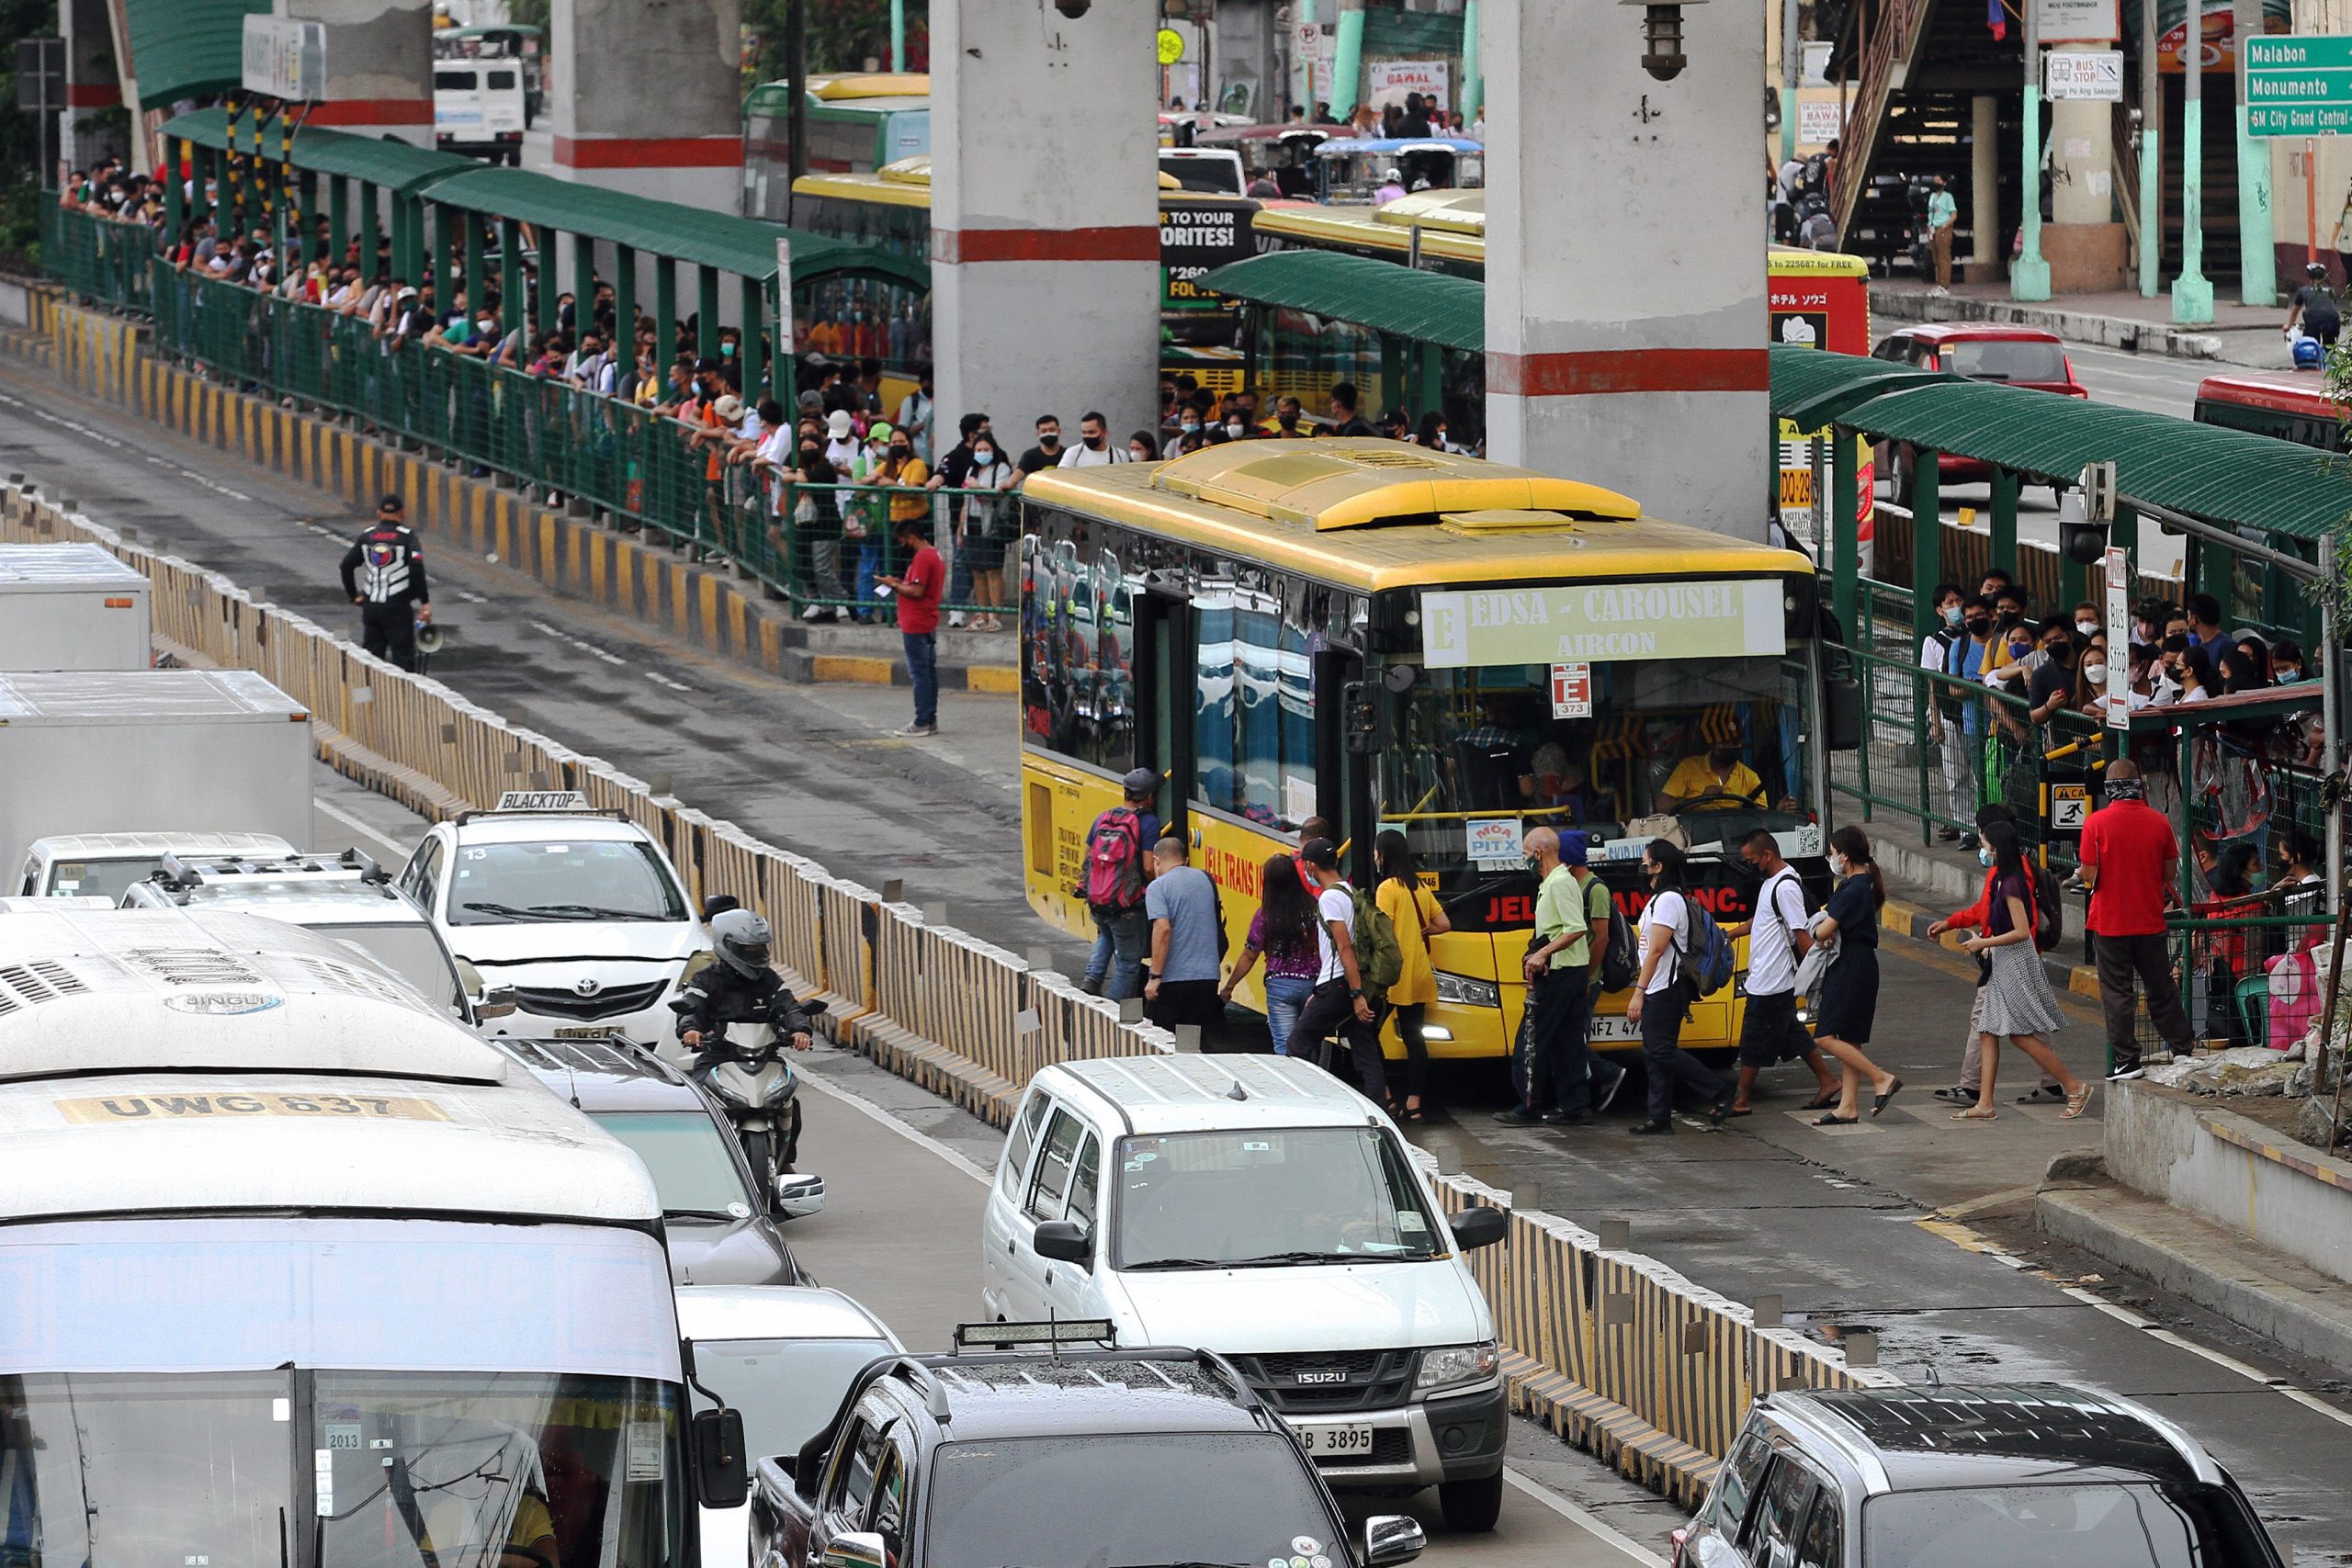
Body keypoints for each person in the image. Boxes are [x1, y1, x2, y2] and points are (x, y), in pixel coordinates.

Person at [1954, 823, 2091, 1122]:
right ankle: (1985, 1104)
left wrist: (1984, 942)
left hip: (2015, 961)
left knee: (2019, 1035)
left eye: (1985, 843)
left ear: (1996, 847)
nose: (1983, 849)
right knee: (1988, 1031)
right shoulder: (2003, 879)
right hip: (2003, 959)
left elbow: (2020, 932)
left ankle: (2074, 1086)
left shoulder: (2013, 883)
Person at [673, 908, 815, 1169]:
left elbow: (789, 1007)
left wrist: (800, 1030)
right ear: (727, 947)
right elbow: (691, 1007)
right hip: (719, 1056)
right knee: (693, 1102)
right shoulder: (706, 980)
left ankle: (785, 1162)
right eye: (748, 950)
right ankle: (697, 1162)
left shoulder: (769, 980)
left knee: (790, 1105)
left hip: (766, 1057)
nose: (756, 956)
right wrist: (690, 1029)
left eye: (760, 949)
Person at [2076, 760, 2190, 1080]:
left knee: (2117, 993)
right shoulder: (2159, 823)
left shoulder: (2095, 824)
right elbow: (2168, 873)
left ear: (2110, 789)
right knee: (2162, 988)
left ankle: (2127, 1059)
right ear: (2140, 785)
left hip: (2110, 922)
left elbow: (2089, 874)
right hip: (2150, 920)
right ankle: (2182, 1048)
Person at [1722, 829, 1842, 1116]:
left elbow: (1801, 934)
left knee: (1752, 1039)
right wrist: (1733, 933)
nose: (1750, 866)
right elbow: (1762, 917)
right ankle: (1828, 1081)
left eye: (1752, 860)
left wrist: (1814, 975)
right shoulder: (1773, 882)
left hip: (1771, 981)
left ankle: (1740, 1099)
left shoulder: (1786, 888)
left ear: (1767, 855)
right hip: (1767, 976)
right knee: (1792, 1033)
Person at [1623, 840, 1735, 1134]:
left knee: (1660, 1050)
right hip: (1658, 986)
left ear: (1658, 867)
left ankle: (1719, 1091)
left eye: (1645, 861)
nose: (1641, 866)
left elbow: (1657, 949)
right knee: (1655, 1051)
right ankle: (1659, 1117)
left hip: (1666, 987)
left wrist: (1639, 992)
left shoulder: (1669, 900)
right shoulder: (1658, 900)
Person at [1495, 826, 1598, 1127]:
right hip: (1569, 973)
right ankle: (1574, 1106)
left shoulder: (1558, 884)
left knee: (1530, 1041)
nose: (1524, 860)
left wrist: (1542, 953)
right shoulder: (1554, 883)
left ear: (1538, 854)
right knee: (1567, 1043)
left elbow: (1575, 928)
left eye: (1526, 854)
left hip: (1560, 975)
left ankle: (1529, 1106)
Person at [1807, 827, 1904, 1122]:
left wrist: (1819, 931)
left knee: (1824, 1035)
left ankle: (1880, 1078)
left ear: (1845, 856)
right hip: (1857, 962)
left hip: (1851, 964)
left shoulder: (1853, 888)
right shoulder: (1860, 884)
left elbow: (1823, 929)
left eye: (1833, 853)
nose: (1831, 858)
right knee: (1849, 1038)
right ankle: (1848, 1107)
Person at [1285, 839, 1386, 1105]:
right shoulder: (1349, 891)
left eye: (1305, 864)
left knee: (1298, 1043)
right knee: (1364, 1049)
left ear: (1310, 864)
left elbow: (1344, 947)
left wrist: (1356, 995)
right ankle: (1378, 1106)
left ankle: (1308, 1102)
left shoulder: (1329, 897)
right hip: (1350, 983)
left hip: (1341, 985)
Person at [1374, 829, 1450, 1122]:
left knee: (1368, 1035)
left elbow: (1384, 933)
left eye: (1376, 851)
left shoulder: (1387, 889)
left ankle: (1387, 1097)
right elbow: (1444, 923)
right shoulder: (1418, 886)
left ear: (1384, 855)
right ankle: (1415, 1102)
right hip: (1419, 971)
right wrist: (1424, 930)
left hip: (1393, 975)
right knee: (1415, 1037)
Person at [1221, 851, 1322, 1051]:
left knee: (1285, 1048)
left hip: (1280, 986)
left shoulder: (1266, 914)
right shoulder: (1314, 907)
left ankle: (1290, 1081)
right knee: (1307, 1047)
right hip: (1313, 984)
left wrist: (1230, 985)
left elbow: (1250, 954)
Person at [1079, 770, 1164, 999]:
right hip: (1127, 906)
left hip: (1098, 899)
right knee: (1128, 964)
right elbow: (1148, 866)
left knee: (1106, 935)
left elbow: (1088, 856)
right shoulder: (1147, 822)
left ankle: (1092, 979)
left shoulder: (1104, 817)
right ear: (1148, 798)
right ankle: (1114, 1011)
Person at [338, 495, 432, 672]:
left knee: (371, 659)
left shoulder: (367, 536)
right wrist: (424, 602)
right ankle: (404, 698)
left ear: (379, 513)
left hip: (371, 606)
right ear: (402, 513)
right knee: (403, 658)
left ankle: (370, 697)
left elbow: (346, 565)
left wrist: (354, 595)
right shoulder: (407, 537)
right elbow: (417, 569)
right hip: (397, 606)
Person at [1143, 837, 1225, 1033]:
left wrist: (1155, 976)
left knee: (1169, 1042)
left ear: (1156, 861)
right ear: (1185, 860)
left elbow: (1163, 929)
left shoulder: (1158, 886)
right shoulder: (1206, 879)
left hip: (1174, 980)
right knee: (1196, 1040)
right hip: (1208, 977)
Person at [1920, 583, 1979, 844]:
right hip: (1947, 711)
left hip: (1972, 713)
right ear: (1939, 609)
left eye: (1959, 601)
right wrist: (1934, 719)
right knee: (1956, 774)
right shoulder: (1933, 642)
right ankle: (1965, 826)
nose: (1955, 607)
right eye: (1949, 603)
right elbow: (1932, 682)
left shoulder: (1973, 636)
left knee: (1979, 773)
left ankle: (1983, 824)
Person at [875, 514, 943, 738]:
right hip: (925, 620)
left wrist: (893, 586)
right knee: (927, 672)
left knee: (920, 673)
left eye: (904, 541)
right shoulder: (933, 555)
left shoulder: (923, 558)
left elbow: (917, 591)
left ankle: (922, 720)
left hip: (916, 622)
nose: (903, 545)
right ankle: (929, 718)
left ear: (911, 537)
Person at [1659, 742, 1764, 812]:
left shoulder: (1749, 777)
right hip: (1693, 837)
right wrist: (1699, 800)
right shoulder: (1688, 767)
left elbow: (1761, 815)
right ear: (1713, 745)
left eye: (1734, 743)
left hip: (1736, 837)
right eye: (1724, 743)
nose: (1730, 747)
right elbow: (1662, 806)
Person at [2286, 261, 2342, 349]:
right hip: (2332, 320)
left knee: (2310, 345)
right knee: (2330, 347)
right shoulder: (2331, 290)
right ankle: (2329, 357)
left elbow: (2295, 312)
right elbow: (2331, 307)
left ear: (2308, 277)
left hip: (2313, 320)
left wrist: (2288, 326)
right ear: (2324, 277)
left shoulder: (2303, 290)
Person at [1056, 411, 1129, 468]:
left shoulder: (1120, 455)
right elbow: (1061, 477)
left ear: (1104, 432)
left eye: (1091, 432)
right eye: (1084, 432)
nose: (1087, 436)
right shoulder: (1073, 453)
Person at [1926, 175, 1957, 291]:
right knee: (1936, 257)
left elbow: (1954, 215)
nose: (1936, 183)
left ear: (1944, 183)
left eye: (1938, 181)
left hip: (1943, 228)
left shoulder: (1948, 197)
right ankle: (1938, 282)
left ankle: (1944, 284)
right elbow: (1930, 212)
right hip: (1933, 227)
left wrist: (1945, 226)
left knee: (1944, 257)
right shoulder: (1932, 197)